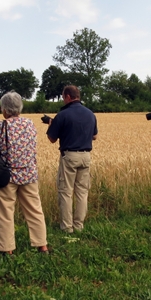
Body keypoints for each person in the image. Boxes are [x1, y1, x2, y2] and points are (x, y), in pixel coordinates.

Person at [0, 92, 48, 255]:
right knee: (35, 210)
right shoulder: (29, 123)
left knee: (5, 212)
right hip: (29, 173)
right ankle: (42, 245)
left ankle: (7, 250)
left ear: (5, 109)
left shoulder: (1, 125)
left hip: (7, 175)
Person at [45, 84, 97, 234]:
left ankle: (67, 228)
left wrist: (51, 125)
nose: (63, 100)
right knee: (82, 192)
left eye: (63, 97)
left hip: (70, 156)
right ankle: (79, 226)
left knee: (66, 192)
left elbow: (52, 138)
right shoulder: (90, 114)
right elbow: (95, 136)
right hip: (86, 156)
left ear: (68, 96)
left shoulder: (63, 115)